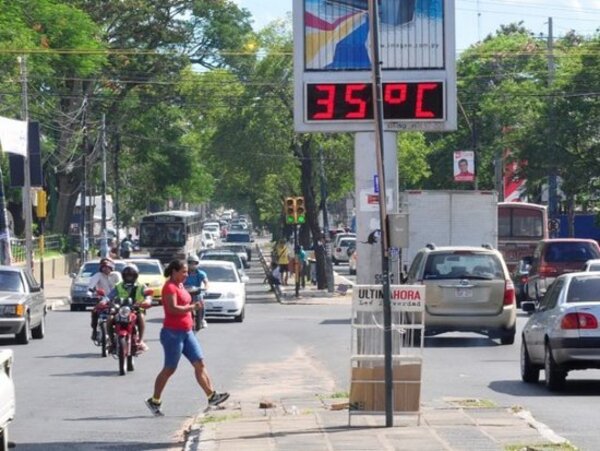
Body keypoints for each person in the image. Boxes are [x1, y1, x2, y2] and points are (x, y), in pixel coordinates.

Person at [145, 260, 229, 416]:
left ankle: (212, 396)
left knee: (200, 363)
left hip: (187, 332)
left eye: (187, 272)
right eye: (183, 272)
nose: (186, 275)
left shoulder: (180, 285)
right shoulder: (169, 287)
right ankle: (154, 400)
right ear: (174, 272)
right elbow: (172, 309)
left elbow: (185, 299)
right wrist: (192, 307)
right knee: (170, 368)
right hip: (172, 333)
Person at [106, 263, 149, 352]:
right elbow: (109, 296)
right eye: (127, 275)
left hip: (136, 310)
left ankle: (140, 341)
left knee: (141, 316)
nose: (129, 277)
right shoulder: (118, 286)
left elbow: (147, 296)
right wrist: (104, 301)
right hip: (120, 310)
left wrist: (147, 302)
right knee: (110, 318)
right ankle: (111, 342)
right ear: (123, 276)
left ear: (136, 276)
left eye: (131, 275)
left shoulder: (141, 286)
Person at [89, 258, 120, 341]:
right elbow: (91, 287)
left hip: (116, 300)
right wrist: (91, 294)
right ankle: (95, 331)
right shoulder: (98, 275)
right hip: (102, 299)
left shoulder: (116, 275)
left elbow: (120, 286)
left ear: (111, 266)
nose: (105, 269)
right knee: (95, 312)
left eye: (107, 266)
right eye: (103, 267)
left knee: (122, 314)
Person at [183, 254, 209, 330]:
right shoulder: (184, 272)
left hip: (197, 291)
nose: (193, 265)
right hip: (185, 292)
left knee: (201, 302)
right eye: (191, 263)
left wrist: (206, 288)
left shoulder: (201, 273)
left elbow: (206, 282)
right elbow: (179, 281)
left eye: (195, 263)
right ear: (188, 263)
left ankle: (202, 319)